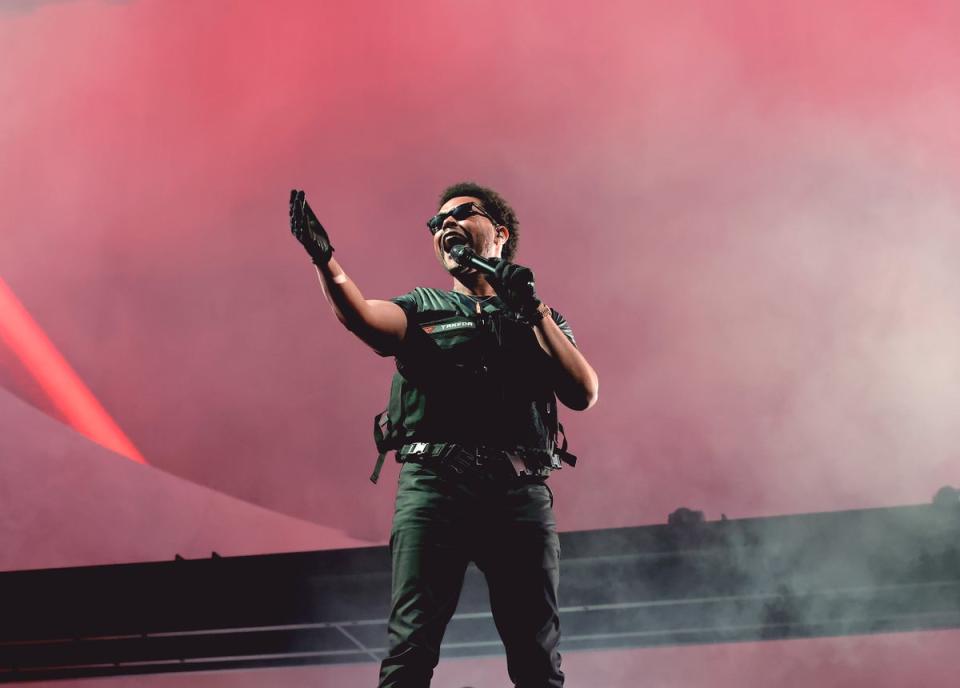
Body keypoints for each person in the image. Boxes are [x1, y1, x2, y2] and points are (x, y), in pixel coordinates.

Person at [289, 182, 599, 688]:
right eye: (436, 224)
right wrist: (327, 263)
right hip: (434, 486)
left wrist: (534, 308)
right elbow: (363, 318)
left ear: (499, 233)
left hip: (518, 493)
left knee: (536, 657)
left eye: (460, 215)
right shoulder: (422, 306)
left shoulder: (538, 318)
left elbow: (583, 392)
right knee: (411, 648)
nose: (443, 227)